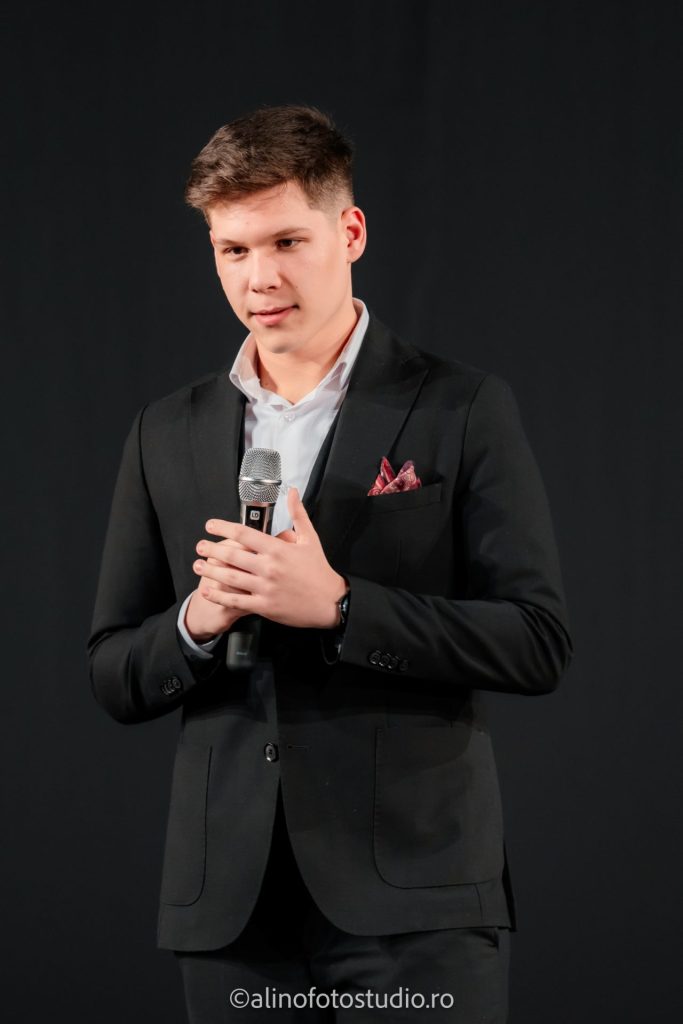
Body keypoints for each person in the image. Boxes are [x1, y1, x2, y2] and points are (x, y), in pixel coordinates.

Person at [88, 104, 573, 1023]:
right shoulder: (164, 431)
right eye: (232, 250)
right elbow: (112, 671)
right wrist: (198, 621)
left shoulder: (460, 407)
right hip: (231, 913)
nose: (259, 278)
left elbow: (536, 641)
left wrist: (344, 606)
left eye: (285, 242)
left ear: (348, 233)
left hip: (413, 900)